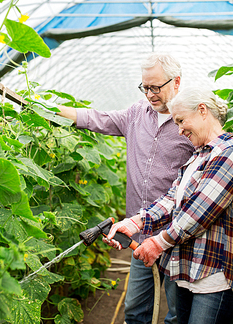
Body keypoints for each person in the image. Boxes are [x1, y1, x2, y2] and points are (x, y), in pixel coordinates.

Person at [54, 53, 195, 324]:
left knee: (178, 314)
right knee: (135, 310)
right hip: (140, 233)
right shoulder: (134, 115)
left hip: (178, 236)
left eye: (156, 87)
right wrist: (42, 107)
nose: (150, 94)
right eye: (145, 87)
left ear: (176, 82)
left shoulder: (188, 121)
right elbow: (94, 118)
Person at [107, 86, 233, 324]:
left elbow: (199, 211)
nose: (179, 130)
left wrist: (157, 242)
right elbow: (171, 200)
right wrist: (135, 222)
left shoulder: (231, 153)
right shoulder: (197, 157)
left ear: (203, 110)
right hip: (186, 270)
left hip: (214, 274)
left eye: (181, 120)